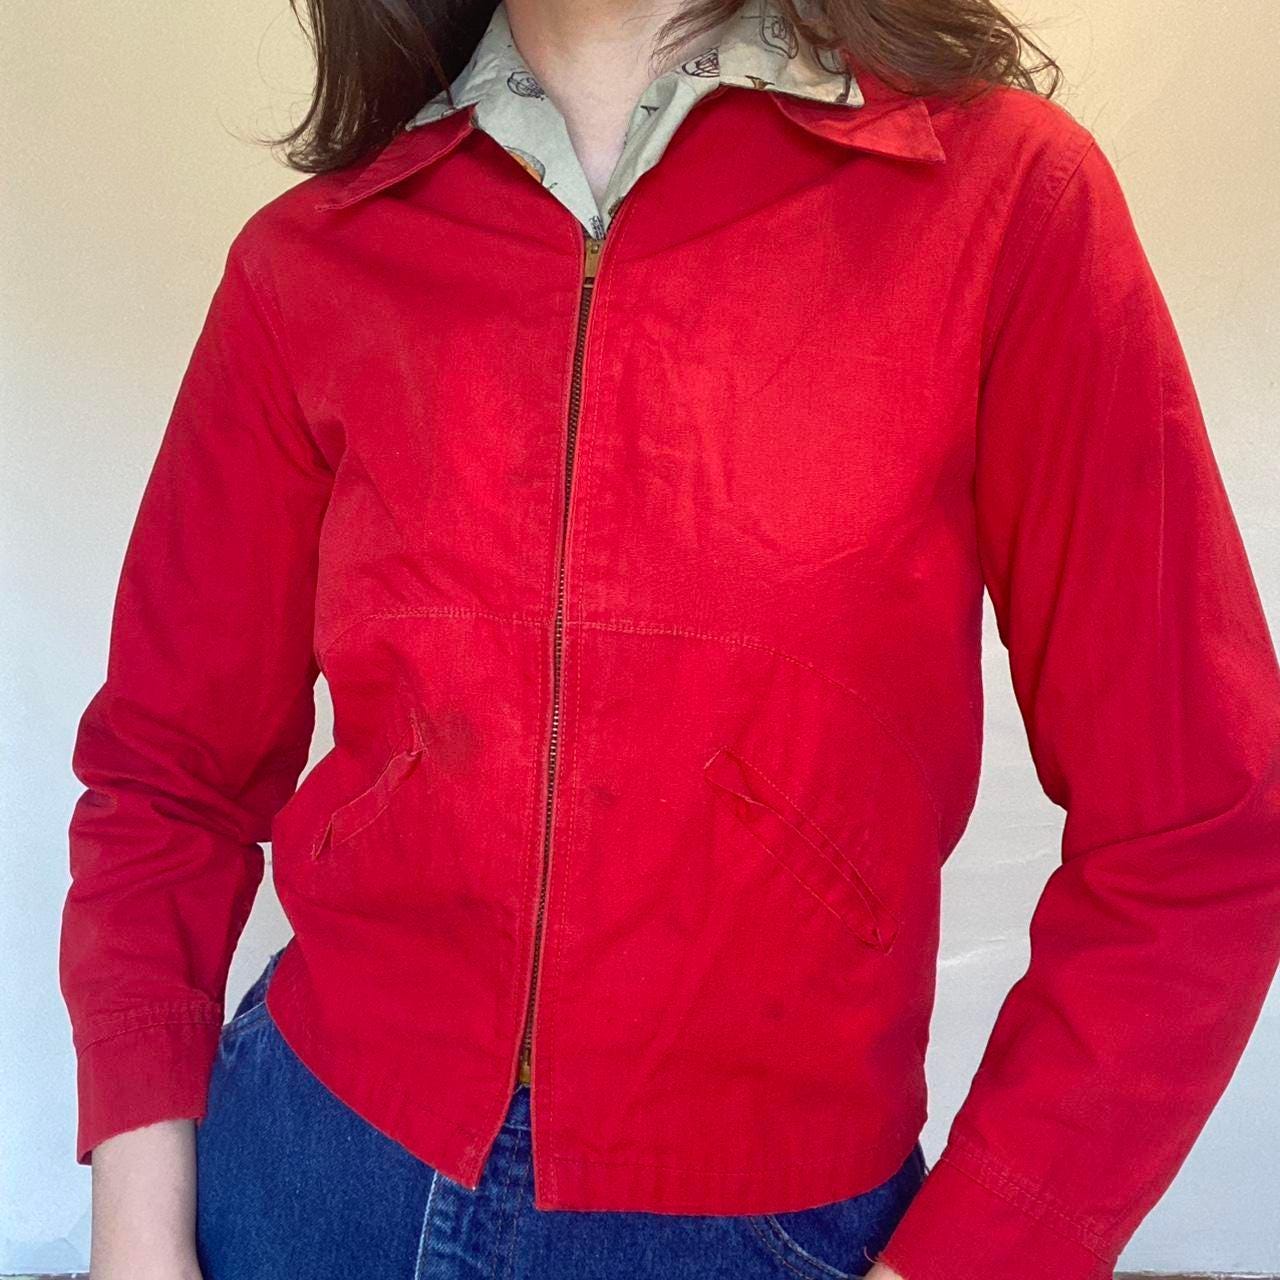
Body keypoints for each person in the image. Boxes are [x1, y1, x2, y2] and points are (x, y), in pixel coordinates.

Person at [61, 0, 1280, 1277]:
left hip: (763, 1224)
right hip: (309, 1173)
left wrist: (983, 1251)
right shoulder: (312, 257)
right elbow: (165, 774)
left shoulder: (1004, 201)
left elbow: (1196, 829)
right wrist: (136, 1239)